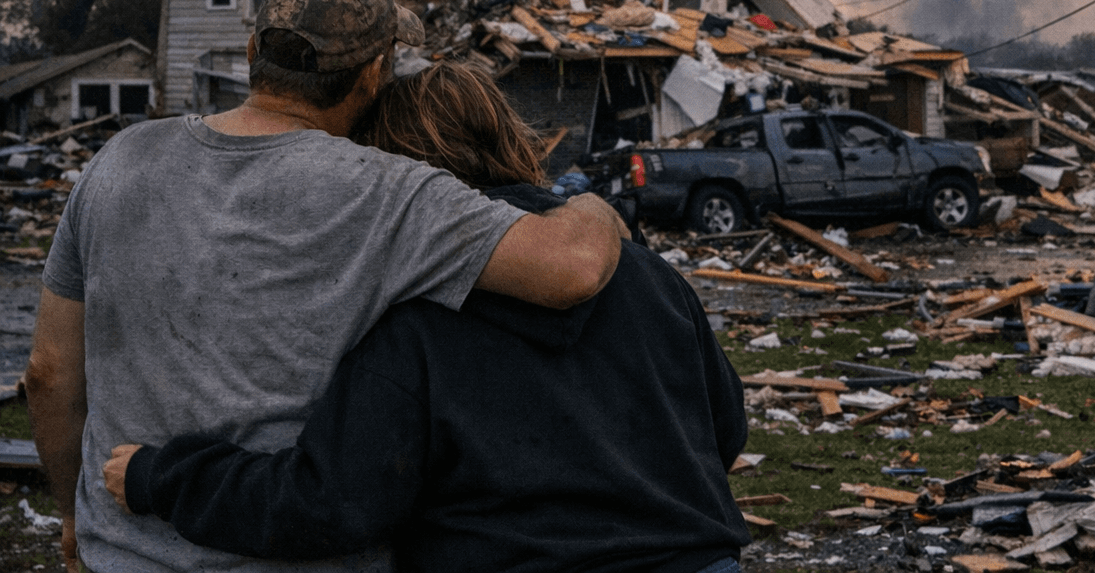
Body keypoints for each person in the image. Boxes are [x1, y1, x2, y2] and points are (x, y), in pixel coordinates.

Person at [26, 0, 627, 573]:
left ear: (253, 48)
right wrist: (590, 203)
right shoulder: (387, 192)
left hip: (121, 554)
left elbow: (48, 373)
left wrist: (76, 515)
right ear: (374, 74)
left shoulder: (119, 160)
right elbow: (574, 269)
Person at [102, 61, 751, 573]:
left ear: (382, 162)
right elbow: (725, 430)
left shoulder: (413, 309)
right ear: (505, 132)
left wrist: (161, 475)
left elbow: (331, 503)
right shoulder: (643, 272)